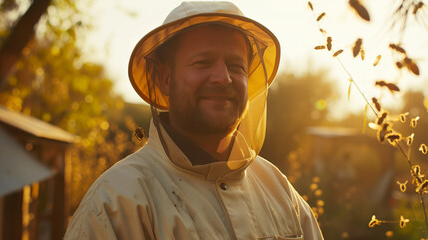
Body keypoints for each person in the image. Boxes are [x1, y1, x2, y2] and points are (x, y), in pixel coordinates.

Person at [64, 1, 323, 239]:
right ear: (165, 78)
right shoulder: (116, 202)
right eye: (203, 63)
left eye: (236, 65)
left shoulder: (278, 189)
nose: (223, 77)